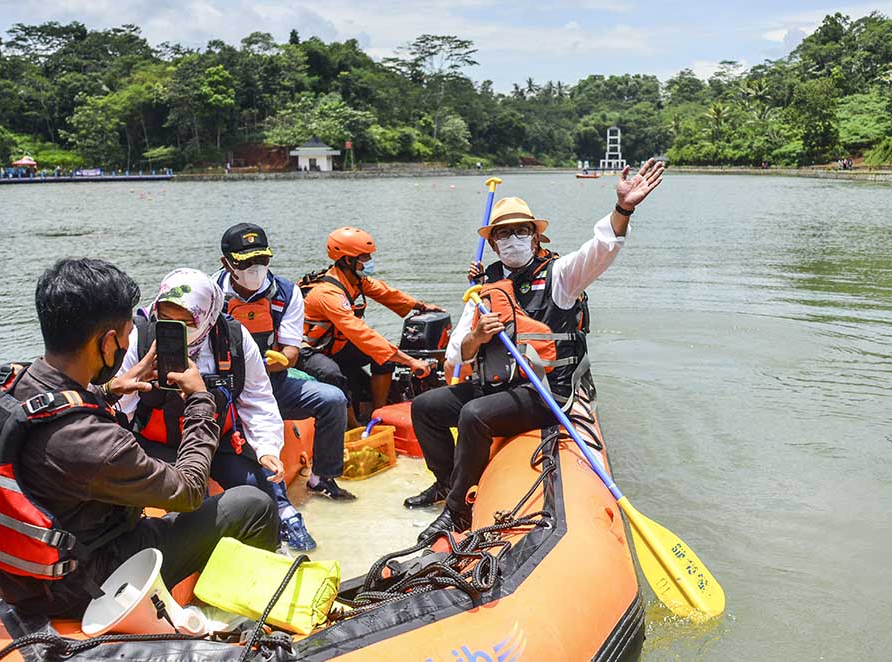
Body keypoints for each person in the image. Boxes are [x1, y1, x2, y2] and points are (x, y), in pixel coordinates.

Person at [0, 258, 277, 617]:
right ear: (108, 344)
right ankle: (236, 621)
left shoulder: (1, 382)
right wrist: (200, 404)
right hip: (85, 585)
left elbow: (47, 413)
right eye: (123, 337)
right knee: (253, 504)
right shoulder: (95, 443)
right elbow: (188, 491)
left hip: (29, 571)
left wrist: (106, 390)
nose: (126, 344)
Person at [406, 160, 665, 540]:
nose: (513, 240)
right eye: (504, 234)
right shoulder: (484, 286)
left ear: (535, 237)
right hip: (497, 384)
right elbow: (457, 354)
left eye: (521, 231)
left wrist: (623, 209)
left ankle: (458, 510)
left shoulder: (561, 276)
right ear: (493, 243)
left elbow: (601, 249)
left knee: (475, 416)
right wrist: (477, 336)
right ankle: (447, 482)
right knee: (425, 407)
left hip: (544, 391)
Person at [115, 268, 317, 552]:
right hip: (157, 445)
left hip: (216, 442)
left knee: (256, 484)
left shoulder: (234, 338)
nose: (175, 330)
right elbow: (119, 410)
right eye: (166, 320)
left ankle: (276, 532)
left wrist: (267, 448)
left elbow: (257, 398)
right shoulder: (141, 339)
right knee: (192, 502)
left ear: (208, 316)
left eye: (186, 323)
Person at [214, 222, 354, 502]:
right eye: (246, 262)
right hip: (223, 390)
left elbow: (290, 354)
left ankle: (322, 477)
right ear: (227, 263)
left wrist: (258, 366)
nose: (255, 268)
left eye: (262, 259)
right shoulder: (210, 292)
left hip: (272, 382)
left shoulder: (286, 294)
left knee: (333, 399)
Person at [300, 227, 442, 425]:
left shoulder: (355, 281)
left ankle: (378, 413)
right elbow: (361, 333)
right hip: (309, 352)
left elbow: (386, 292)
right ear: (347, 260)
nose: (368, 262)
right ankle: (352, 425)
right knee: (332, 373)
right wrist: (410, 361)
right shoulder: (327, 294)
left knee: (384, 359)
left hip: (336, 345)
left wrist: (420, 306)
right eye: (364, 257)